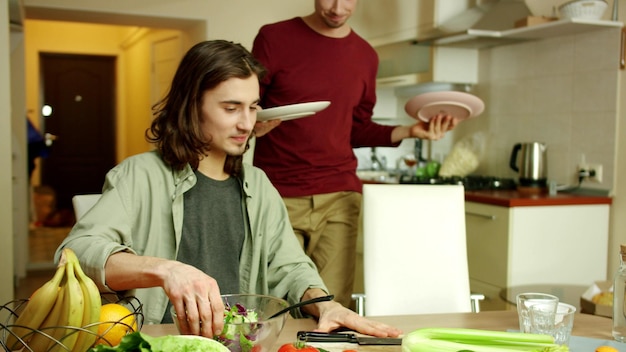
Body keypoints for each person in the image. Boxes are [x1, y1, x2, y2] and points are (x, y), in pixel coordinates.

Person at [54, 40, 401, 339]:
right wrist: (167, 270)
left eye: (253, 107)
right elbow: (76, 254)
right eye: (231, 108)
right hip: (162, 341)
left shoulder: (259, 185)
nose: (247, 123)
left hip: (241, 342)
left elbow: (289, 266)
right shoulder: (139, 175)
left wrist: (325, 305)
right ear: (192, 106)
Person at [252, 0, 459, 308]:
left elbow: (357, 129)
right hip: (279, 193)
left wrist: (409, 131)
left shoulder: (365, 56)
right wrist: (252, 124)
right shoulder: (273, 38)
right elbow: (247, 105)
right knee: (275, 305)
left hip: (340, 195)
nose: (337, 8)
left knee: (332, 305)